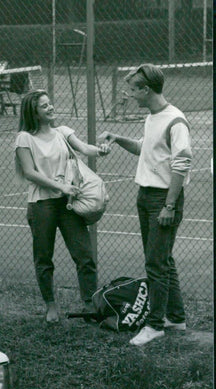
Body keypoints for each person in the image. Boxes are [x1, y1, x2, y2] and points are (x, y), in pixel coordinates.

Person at [98, 64, 192, 346]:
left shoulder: (176, 121)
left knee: (155, 264)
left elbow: (182, 163)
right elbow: (143, 147)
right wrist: (116, 138)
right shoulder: (153, 118)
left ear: (146, 89)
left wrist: (169, 206)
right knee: (163, 261)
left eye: (133, 90)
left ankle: (155, 325)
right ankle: (175, 318)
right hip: (146, 196)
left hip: (162, 199)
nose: (130, 95)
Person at [14, 89, 111, 323]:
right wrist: (60, 188)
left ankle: (90, 305)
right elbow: (29, 173)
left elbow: (85, 148)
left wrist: (101, 149)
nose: (51, 108)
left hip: (68, 204)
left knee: (85, 255)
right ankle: (51, 306)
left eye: (50, 103)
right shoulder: (25, 138)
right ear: (34, 112)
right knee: (44, 258)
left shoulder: (62, 132)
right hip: (42, 205)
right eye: (44, 106)